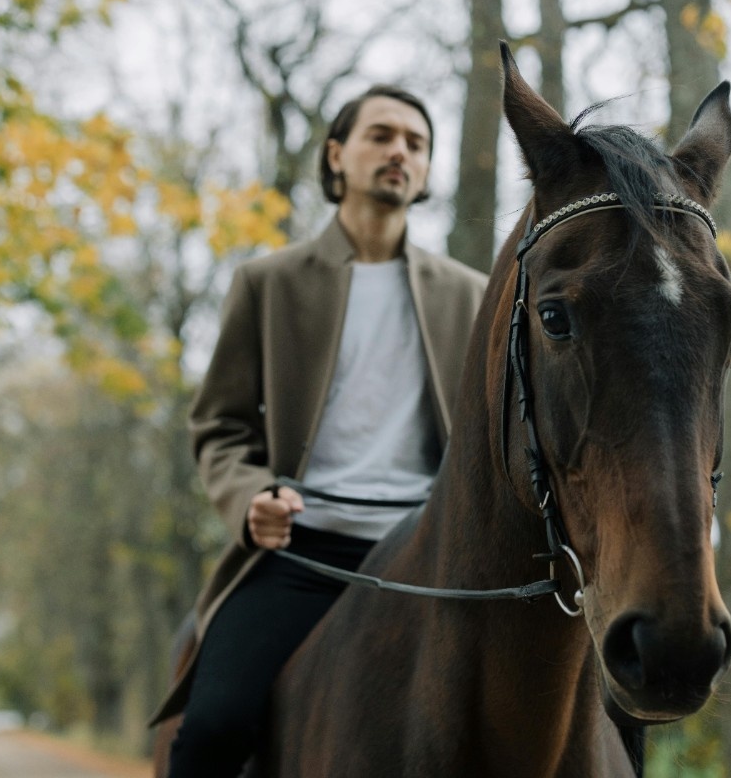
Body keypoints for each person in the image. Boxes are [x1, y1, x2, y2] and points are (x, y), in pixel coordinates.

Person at [151, 84, 488, 777]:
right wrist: (249, 499)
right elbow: (220, 424)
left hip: (428, 562)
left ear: (425, 173)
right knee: (212, 729)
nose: (400, 151)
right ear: (337, 155)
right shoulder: (267, 283)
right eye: (382, 135)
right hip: (301, 557)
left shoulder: (470, 295)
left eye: (416, 143)